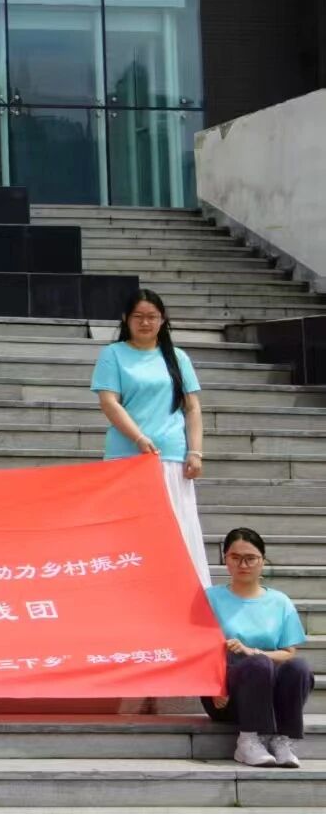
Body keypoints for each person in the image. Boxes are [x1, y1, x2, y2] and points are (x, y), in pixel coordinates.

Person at [95, 288, 206, 578]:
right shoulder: (113, 354)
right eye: (138, 316)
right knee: (126, 529)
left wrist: (195, 451)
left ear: (162, 319)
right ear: (125, 319)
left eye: (152, 317)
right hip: (126, 457)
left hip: (171, 456)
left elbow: (192, 407)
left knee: (176, 526)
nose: (145, 322)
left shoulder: (177, 358)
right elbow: (109, 402)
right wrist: (138, 438)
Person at [204, 528, 309, 768]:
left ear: (262, 560)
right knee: (258, 664)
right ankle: (248, 739)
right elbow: (198, 648)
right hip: (226, 695)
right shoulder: (210, 598)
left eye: (250, 558)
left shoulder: (280, 602)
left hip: (270, 694)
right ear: (225, 559)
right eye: (235, 557)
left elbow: (289, 653)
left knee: (298, 666)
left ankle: (283, 739)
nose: (243, 564)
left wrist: (253, 652)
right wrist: (215, 686)